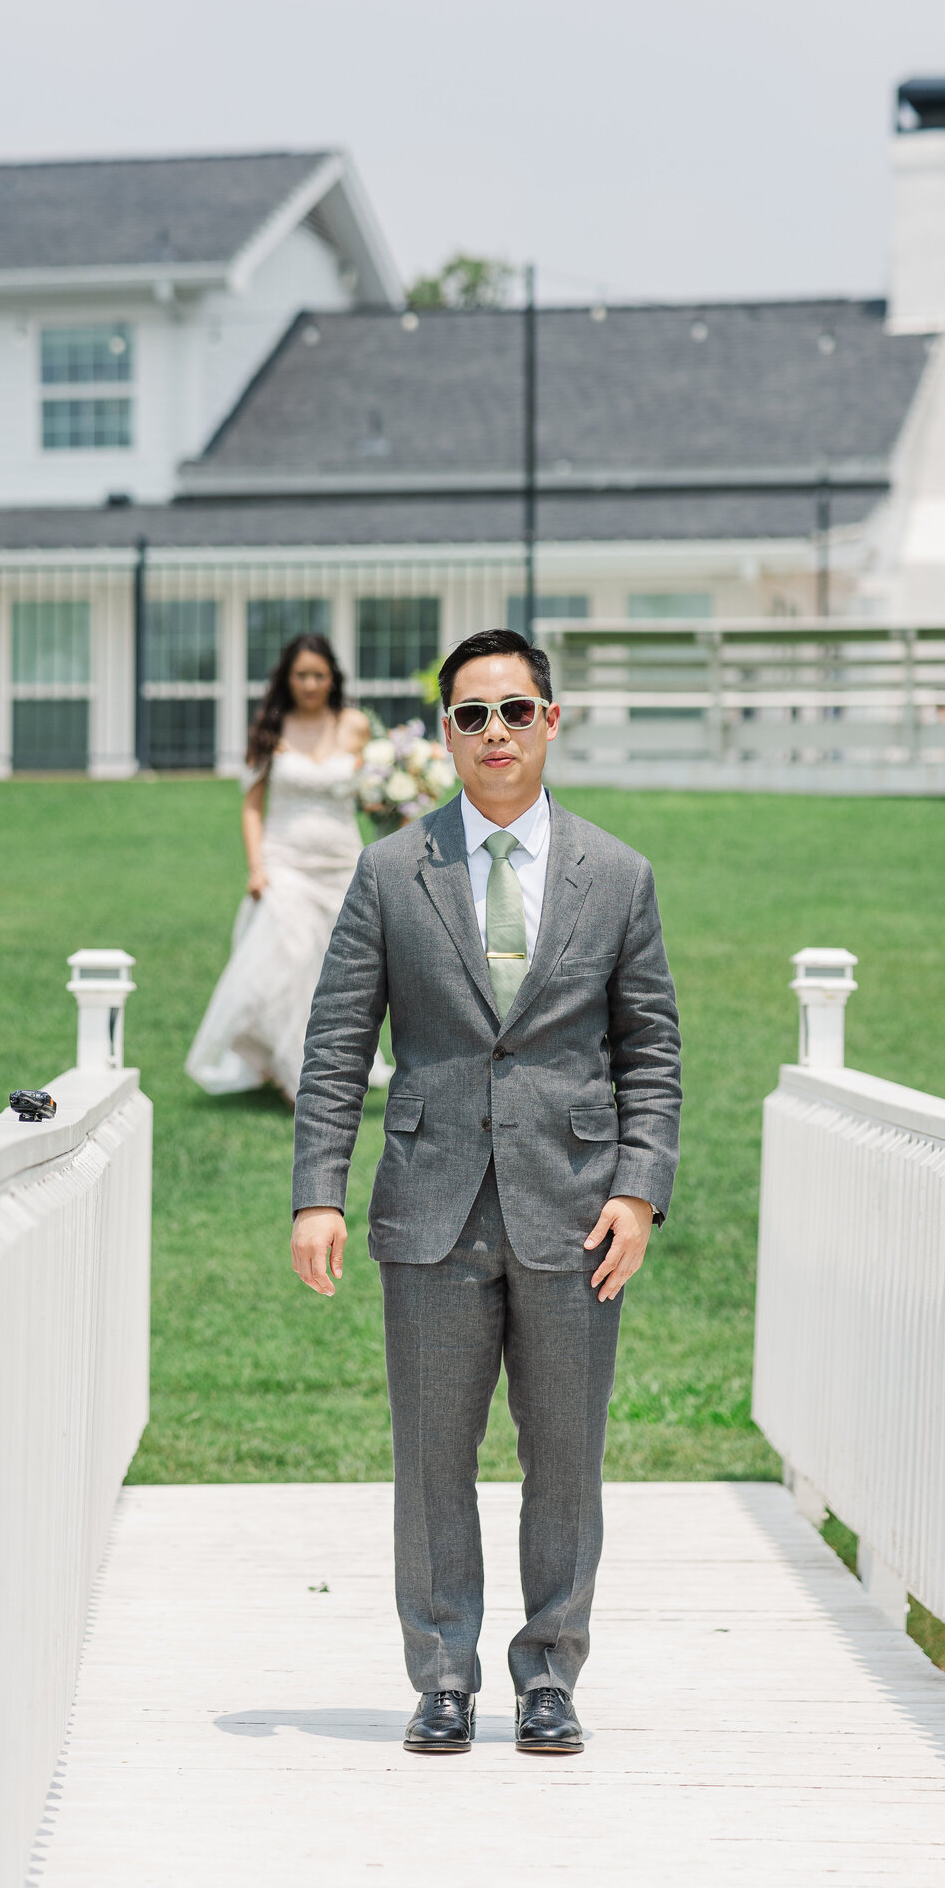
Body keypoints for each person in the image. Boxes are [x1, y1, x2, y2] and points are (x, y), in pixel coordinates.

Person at [290, 627, 682, 1757]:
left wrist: (640, 1191)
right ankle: (444, 1675)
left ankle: (550, 1673)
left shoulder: (616, 877)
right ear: (446, 735)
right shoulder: (388, 873)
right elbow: (333, 1046)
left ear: (551, 722)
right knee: (432, 1458)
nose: (495, 733)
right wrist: (320, 1189)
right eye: (471, 715)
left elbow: (649, 1048)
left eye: (515, 711)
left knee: (564, 1458)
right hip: (431, 1204)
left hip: (576, 1208)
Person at [185, 633, 378, 1104]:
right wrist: (257, 868)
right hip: (284, 862)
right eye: (301, 675)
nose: (310, 683)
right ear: (286, 679)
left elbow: (374, 795)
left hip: (340, 864)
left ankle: (327, 1062)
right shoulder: (270, 726)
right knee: (289, 960)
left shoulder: (354, 725)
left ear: (332, 677)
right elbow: (253, 806)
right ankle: (296, 1075)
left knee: (333, 972)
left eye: (318, 674)